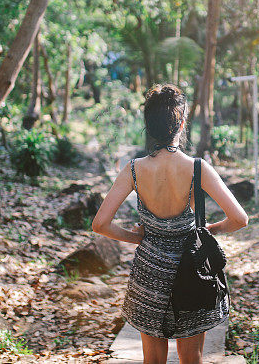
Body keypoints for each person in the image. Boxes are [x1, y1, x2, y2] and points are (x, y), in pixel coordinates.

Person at [92, 83, 248, 364]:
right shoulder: (198, 168)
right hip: (191, 273)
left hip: (148, 274)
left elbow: (101, 224)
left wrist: (138, 237)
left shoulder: (134, 169)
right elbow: (239, 219)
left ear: (149, 126)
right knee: (192, 358)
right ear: (182, 123)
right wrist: (208, 231)